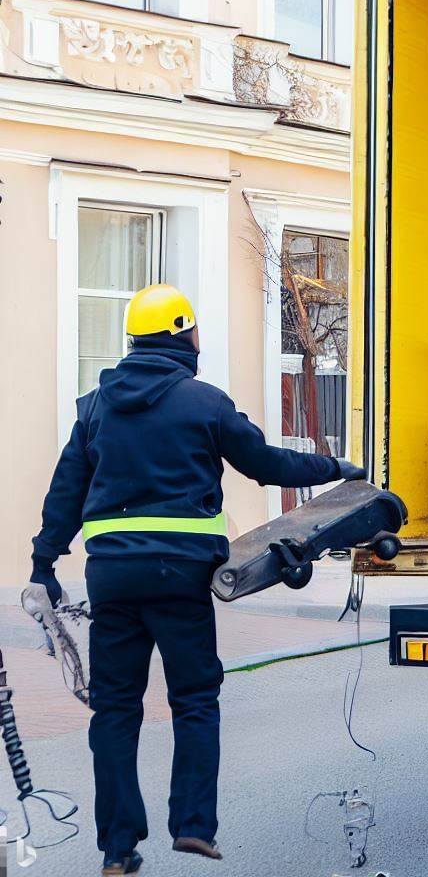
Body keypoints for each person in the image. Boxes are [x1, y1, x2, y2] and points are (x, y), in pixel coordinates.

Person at [29, 283, 365, 877]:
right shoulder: (204, 403)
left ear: (134, 339)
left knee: (114, 709)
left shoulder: (94, 407)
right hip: (181, 575)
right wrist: (335, 467)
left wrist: (43, 567)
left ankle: (117, 847)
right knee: (193, 699)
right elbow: (265, 464)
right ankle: (192, 826)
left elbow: (65, 494)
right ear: (184, 334)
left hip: (112, 575)